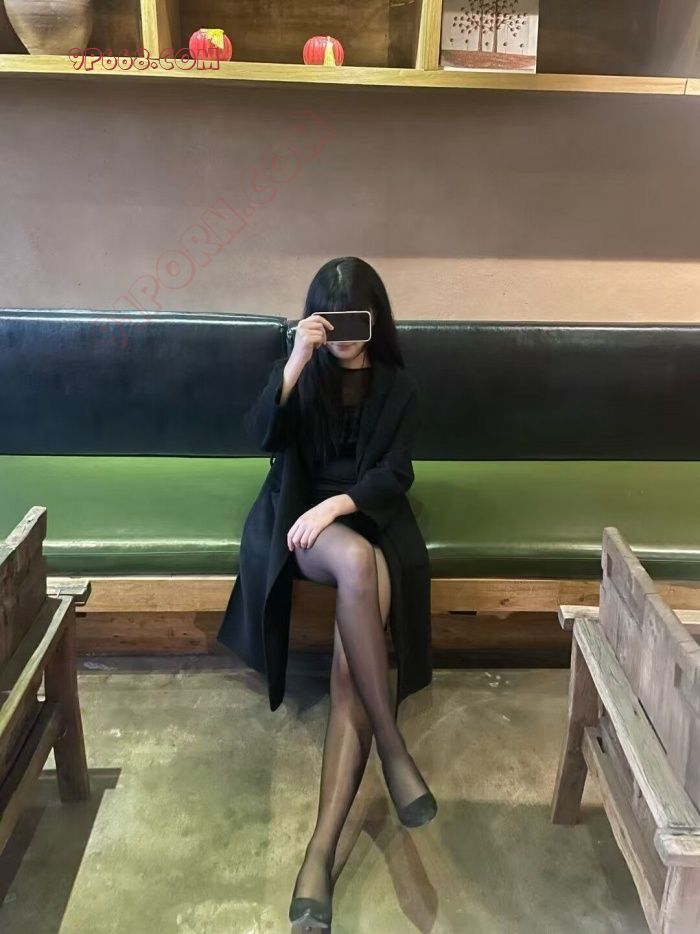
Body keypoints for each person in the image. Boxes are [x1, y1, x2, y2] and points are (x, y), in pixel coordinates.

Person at [217, 257, 435, 931]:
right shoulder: (304, 373)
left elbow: (396, 474)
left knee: (351, 673)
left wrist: (340, 504)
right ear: (316, 317)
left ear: (376, 320)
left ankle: (317, 858)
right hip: (298, 522)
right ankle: (394, 750)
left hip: (363, 517)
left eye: (355, 320)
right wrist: (294, 360)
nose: (343, 334)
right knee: (358, 562)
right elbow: (260, 436)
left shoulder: (398, 386)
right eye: (331, 319)